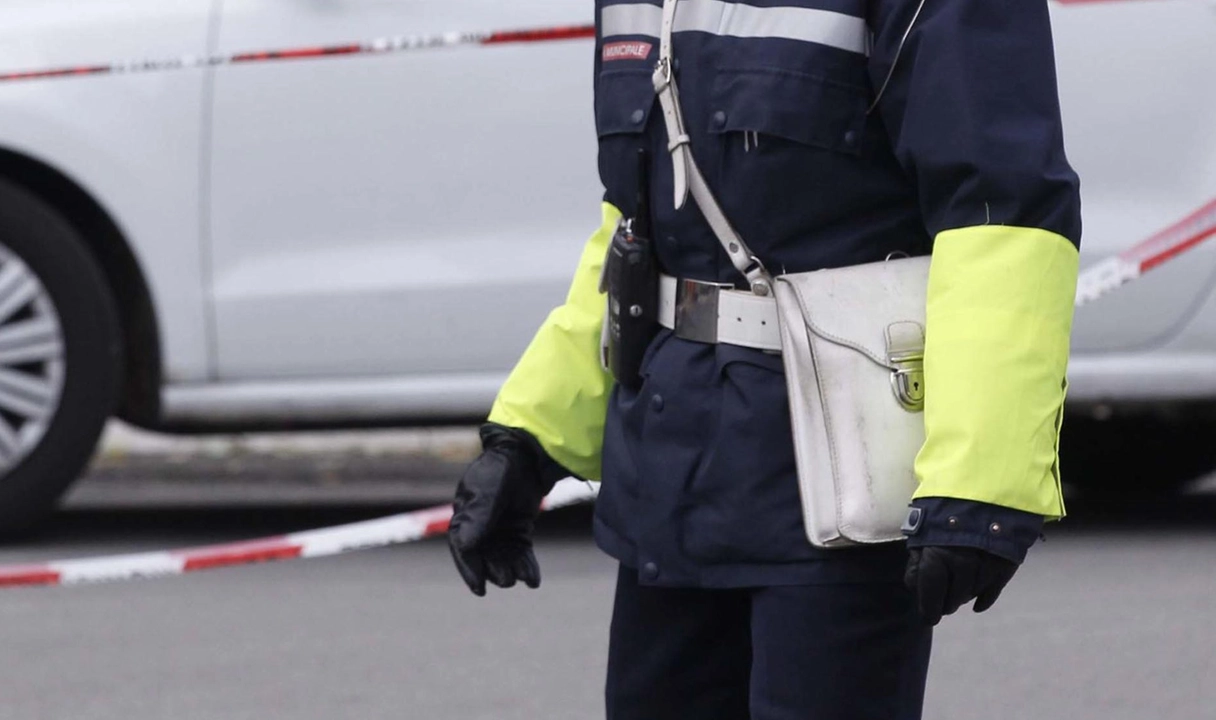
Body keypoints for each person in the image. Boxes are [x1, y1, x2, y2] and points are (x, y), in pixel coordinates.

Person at [449, 1, 1079, 718]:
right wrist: (530, 440)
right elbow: (638, 226)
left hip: (837, 489)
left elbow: (1003, 219)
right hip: (671, 478)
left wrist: (983, 484)